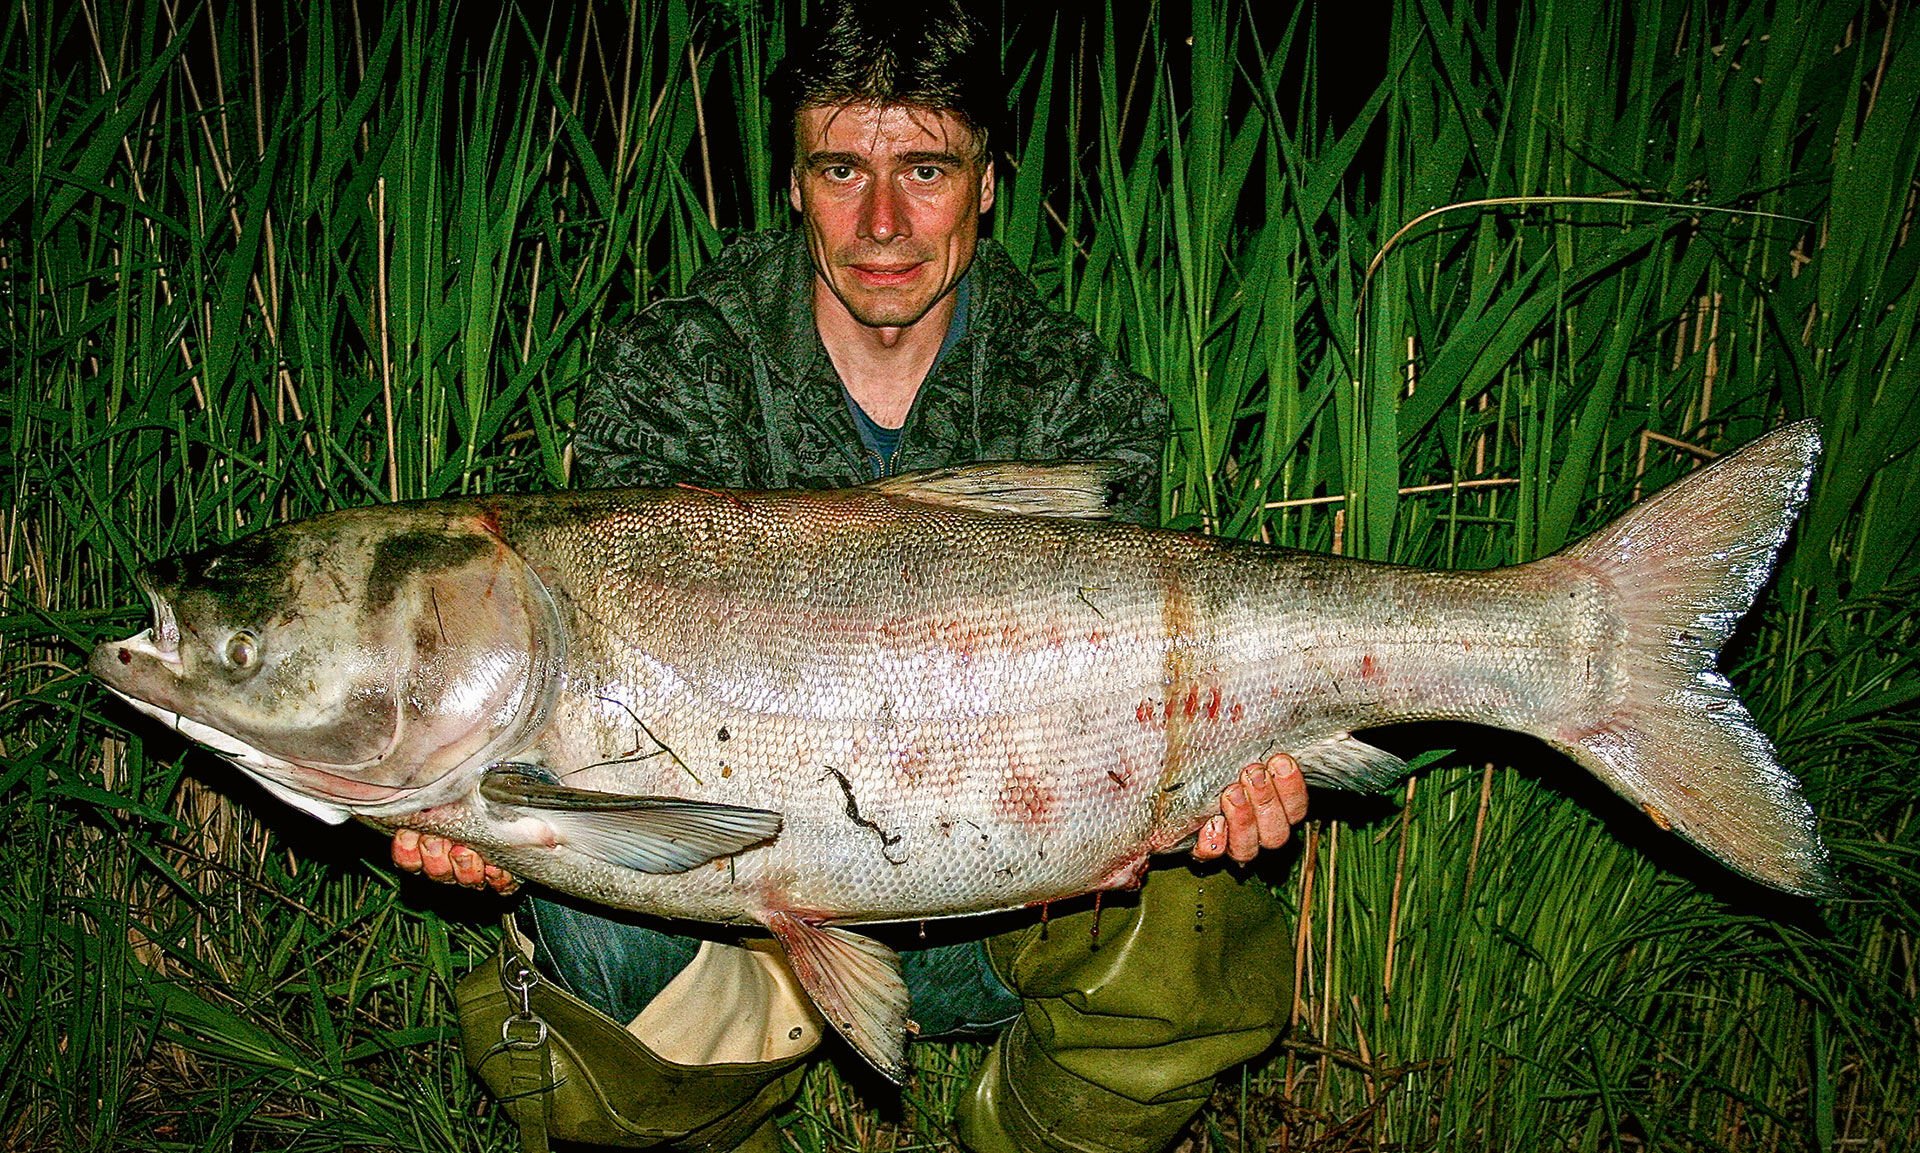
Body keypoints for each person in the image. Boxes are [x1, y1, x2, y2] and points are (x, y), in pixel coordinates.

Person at [394, 4, 1309, 1150]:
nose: (882, 221)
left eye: (926, 167)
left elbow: (1139, 697)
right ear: (793, 183)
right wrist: (481, 801)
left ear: (987, 182)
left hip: (993, 902)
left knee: (1200, 921)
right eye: (841, 167)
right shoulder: (677, 367)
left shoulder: (1072, 396)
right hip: (725, 913)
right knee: (582, 914)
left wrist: (1212, 787)